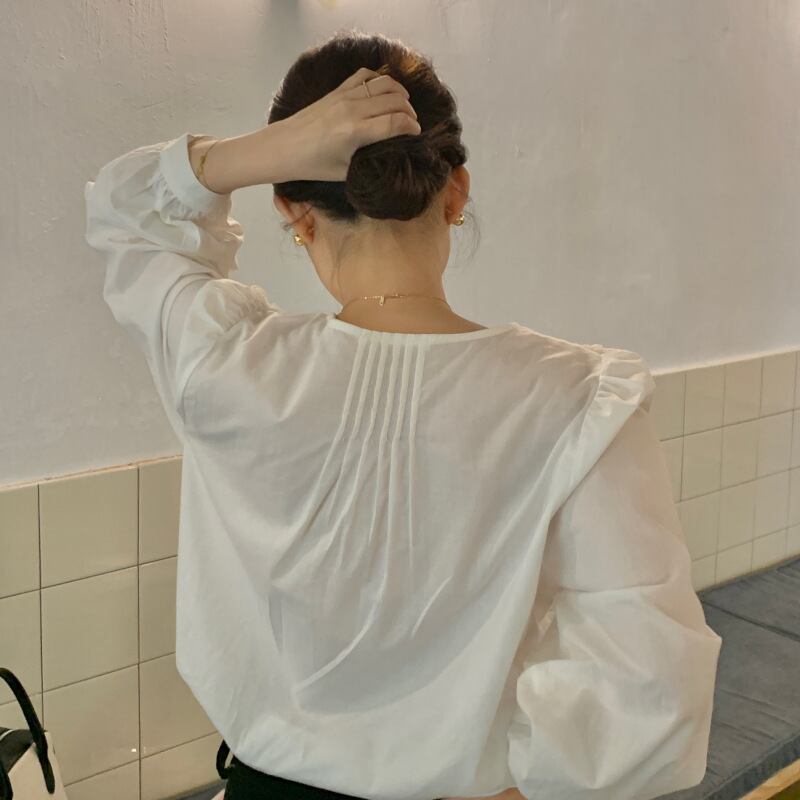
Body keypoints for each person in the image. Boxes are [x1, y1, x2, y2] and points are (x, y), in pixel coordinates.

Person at [84, 29, 722, 800]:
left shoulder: (223, 365)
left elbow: (125, 210)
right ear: (456, 193)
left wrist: (265, 152)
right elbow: (651, 693)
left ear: (294, 211)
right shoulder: (579, 399)